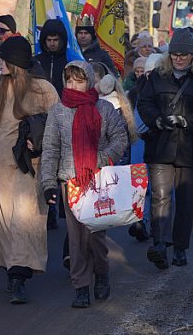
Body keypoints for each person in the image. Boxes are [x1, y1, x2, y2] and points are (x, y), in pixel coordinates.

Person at [0, 35, 59, 304]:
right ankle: (13, 270)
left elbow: (57, 123)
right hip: (0, 164)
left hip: (32, 165)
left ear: (15, 62)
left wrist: (39, 137)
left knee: (25, 219)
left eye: (3, 59)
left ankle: (19, 273)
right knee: (5, 221)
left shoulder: (43, 89)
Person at [40, 61, 128, 307]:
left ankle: (101, 273)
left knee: (95, 236)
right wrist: (48, 183)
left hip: (98, 181)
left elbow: (120, 138)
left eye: (78, 80)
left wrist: (99, 159)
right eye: (69, 81)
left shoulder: (104, 108)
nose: (73, 85)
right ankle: (80, 286)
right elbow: (51, 148)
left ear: (89, 81)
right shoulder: (58, 111)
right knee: (76, 238)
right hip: (72, 181)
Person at [137, 28, 193, 268]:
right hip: (161, 146)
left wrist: (188, 121)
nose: (179, 58)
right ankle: (160, 244)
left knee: (186, 201)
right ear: (169, 55)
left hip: (191, 149)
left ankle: (180, 248)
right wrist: (158, 120)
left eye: (184, 54)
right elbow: (145, 102)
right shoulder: (157, 77)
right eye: (175, 54)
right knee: (160, 198)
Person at [34, 18, 69, 96]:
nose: (52, 44)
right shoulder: (36, 61)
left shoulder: (69, 60)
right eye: (49, 40)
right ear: (44, 41)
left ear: (61, 40)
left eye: (55, 40)